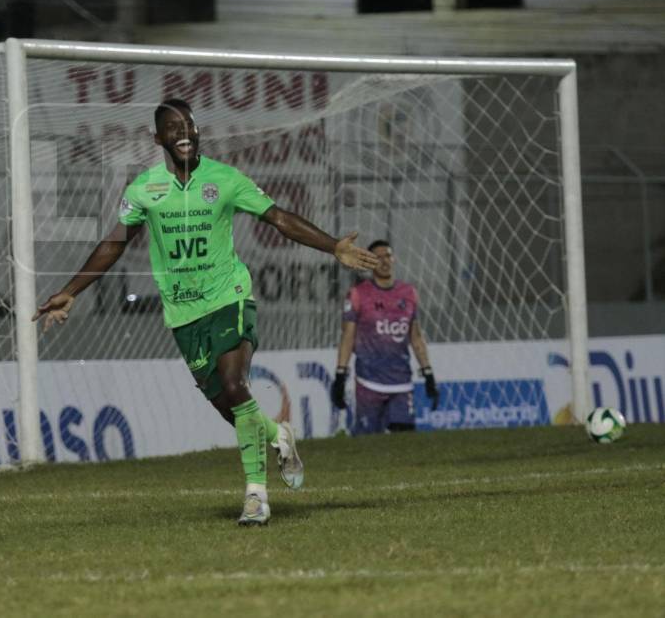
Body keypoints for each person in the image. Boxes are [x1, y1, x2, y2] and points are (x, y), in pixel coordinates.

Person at [33, 99, 380, 525]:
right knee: (230, 408)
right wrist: (71, 291)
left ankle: (256, 496)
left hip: (229, 297)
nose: (182, 132)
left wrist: (333, 247)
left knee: (235, 385)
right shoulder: (144, 189)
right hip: (183, 314)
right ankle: (277, 434)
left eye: (188, 125)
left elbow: (279, 218)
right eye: (171, 128)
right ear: (157, 138)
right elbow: (114, 243)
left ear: (198, 132)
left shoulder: (225, 179)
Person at [330, 240, 439, 435]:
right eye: (378, 257)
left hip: (401, 382)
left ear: (394, 259)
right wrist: (340, 375)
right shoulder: (358, 294)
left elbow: (415, 336)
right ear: (370, 263)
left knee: (405, 443)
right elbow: (348, 336)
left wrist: (428, 372)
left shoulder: (409, 293)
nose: (384, 260)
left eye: (387, 255)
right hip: (368, 383)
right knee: (368, 445)